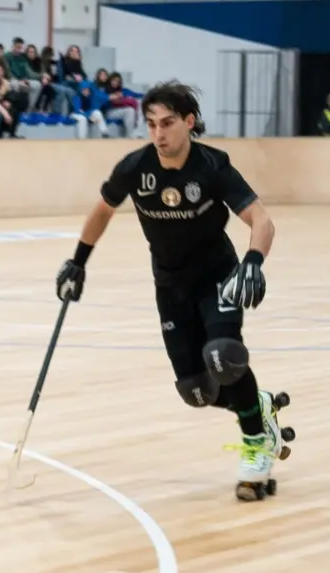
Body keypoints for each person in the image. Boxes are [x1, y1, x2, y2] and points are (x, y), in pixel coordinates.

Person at [56, 82, 290, 501]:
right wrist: (78, 261)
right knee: (196, 391)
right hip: (170, 284)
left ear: (189, 122)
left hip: (218, 277)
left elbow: (261, 219)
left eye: (167, 123)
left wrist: (253, 262)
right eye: (150, 124)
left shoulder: (213, 166)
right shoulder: (135, 167)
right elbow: (103, 209)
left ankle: (256, 442)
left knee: (223, 356)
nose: (158, 133)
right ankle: (260, 405)